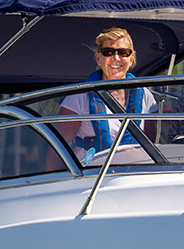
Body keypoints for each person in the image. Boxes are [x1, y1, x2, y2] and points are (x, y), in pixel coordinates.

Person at [46, 27, 157, 168]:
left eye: (123, 53)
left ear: (131, 58)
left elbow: (150, 147)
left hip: (131, 176)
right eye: (108, 52)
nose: (116, 58)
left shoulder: (146, 96)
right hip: (91, 178)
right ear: (98, 58)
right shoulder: (80, 97)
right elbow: (55, 150)